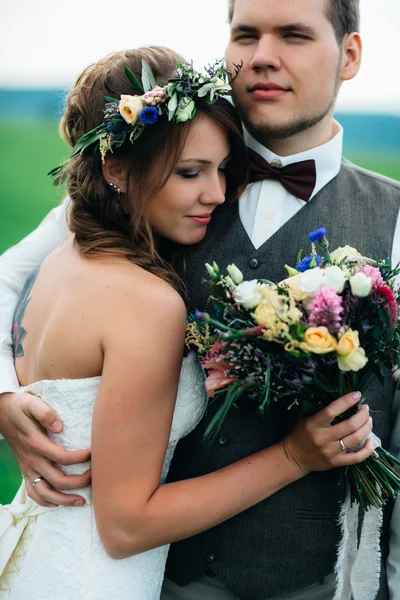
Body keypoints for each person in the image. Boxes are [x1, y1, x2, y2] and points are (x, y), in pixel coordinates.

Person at [0, 0, 399, 597]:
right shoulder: (145, 186)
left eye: (293, 34)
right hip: (150, 576)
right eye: (245, 34)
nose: (263, 57)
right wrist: (5, 392)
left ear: (349, 55)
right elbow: (10, 279)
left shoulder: (392, 220)